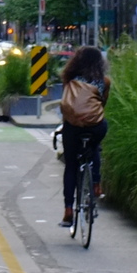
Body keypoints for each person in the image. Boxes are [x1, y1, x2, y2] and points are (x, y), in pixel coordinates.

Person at [56, 46, 109, 228]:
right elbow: (102, 106)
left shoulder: (69, 79)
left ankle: (68, 209)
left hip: (72, 127)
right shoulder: (104, 81)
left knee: (71, 165)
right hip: (94, 127)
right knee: (94, 147)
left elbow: (67, 105)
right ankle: (96, 185)